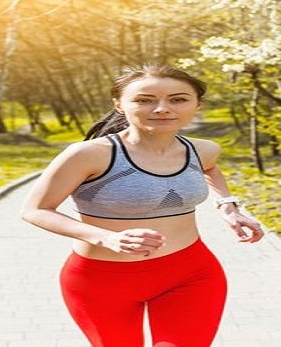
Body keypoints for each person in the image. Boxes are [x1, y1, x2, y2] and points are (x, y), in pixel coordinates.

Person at [20, 64, 264, 347]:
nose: (162, 109)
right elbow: (35, 210)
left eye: (178, 99)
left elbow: (210, 169)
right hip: (100, 282)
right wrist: (106, 237)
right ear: (120, 105)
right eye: (144, 100)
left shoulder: (202, 149)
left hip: (191, 275)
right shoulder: (89, 155)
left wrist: (228, 207)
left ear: (197, 105)